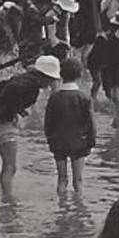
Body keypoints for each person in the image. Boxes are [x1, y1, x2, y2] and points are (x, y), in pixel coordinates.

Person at [0, 54, 63, 199]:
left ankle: (7, 196)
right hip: (4, 126)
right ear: (45, 76)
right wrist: (12, 113)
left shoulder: (24, 80)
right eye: (51, 80)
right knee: (10, 166)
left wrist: (13, 109)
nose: (50, 84)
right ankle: (7, 199)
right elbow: (10, 92)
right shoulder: (27, 86)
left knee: (8, 165)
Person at [43, 56, 96, 196]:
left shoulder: (54, 97)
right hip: (79, 143)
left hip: (58, 142)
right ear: (79, 75)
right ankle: (77, 211)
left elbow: (48, 123)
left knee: (61, 180)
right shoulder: (84, 98)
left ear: (60, 74)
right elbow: (91, 123)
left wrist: (50, 140)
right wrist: (91, 142)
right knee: (78, 181)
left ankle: (61, 208)